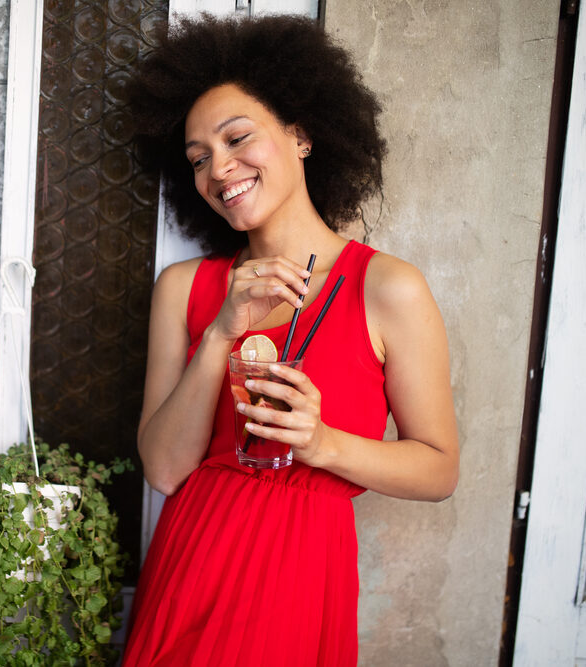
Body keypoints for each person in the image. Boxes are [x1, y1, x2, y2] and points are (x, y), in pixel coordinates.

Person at [121, 14, 459, 666]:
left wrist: (321, 440)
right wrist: (221, 331)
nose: (219, 168)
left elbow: (439, 467)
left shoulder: (388, 287)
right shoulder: (186, 288)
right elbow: (164, 468)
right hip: (189, 564)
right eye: (198, 159)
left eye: (237, 138)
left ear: (301, 136)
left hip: (301, 578)